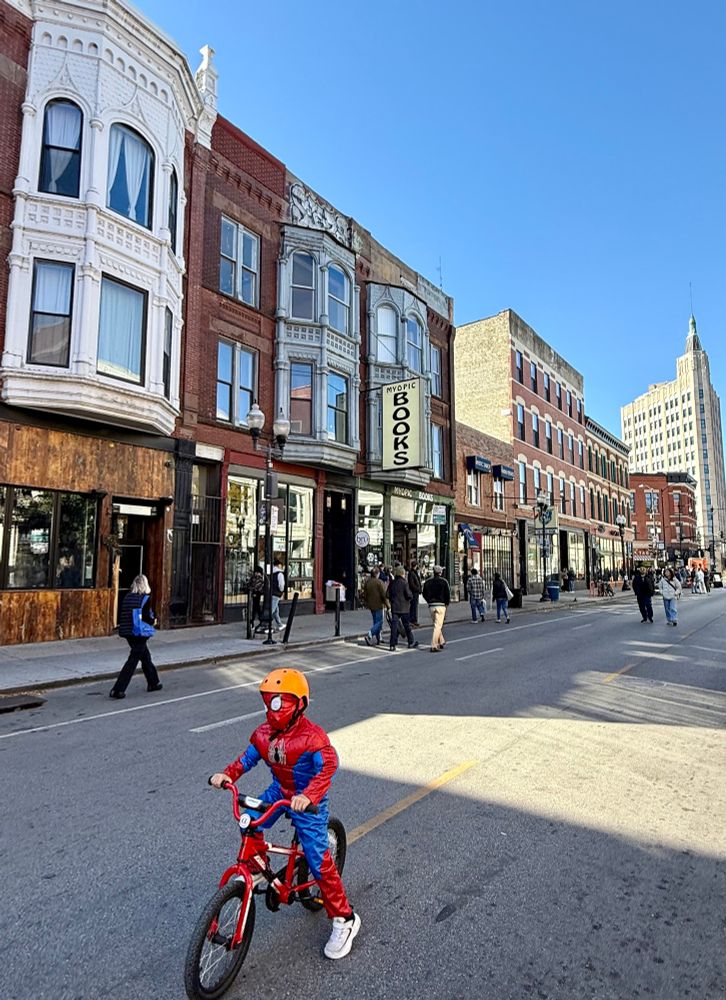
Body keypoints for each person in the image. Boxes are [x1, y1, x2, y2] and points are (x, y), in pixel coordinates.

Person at [209, 669, 360, 960]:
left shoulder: (312, 737)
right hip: (280, 790)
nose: (273, 708)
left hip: (306, 797)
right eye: (269, 702)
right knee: (250, 818)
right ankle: (257, 866)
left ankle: (345, 919)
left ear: (299, 704)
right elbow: (246, 759)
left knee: (318, 858)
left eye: (280, 702)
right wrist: (227, 775)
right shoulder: (264, 734)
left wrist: (309, 795)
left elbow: (328, 766)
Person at [110, 574, 163, 699]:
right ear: (145, 585)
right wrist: (153, 621)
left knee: (145, 657)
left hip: (128, 632)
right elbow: (146, 617)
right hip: (140, 633)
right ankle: (118, 689)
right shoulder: (145, 599)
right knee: (133, 660)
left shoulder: (127, 597)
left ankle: (153, 682)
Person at [387, 566, 418, 652]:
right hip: (404, 607)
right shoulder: (404, 583)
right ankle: (410, 641)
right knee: (406, 625)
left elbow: (387, 594)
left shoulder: (392, 583)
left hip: (395, 607)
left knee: (394, 626)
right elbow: (408, 595)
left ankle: (392, 644)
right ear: (402, 574)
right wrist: (411, 597)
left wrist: (392, 600)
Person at [423, 565, 450, 652]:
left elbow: (424, 593)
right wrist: (446, 605)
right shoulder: (444, 582)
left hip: (431, 605)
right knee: (438, 625)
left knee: (436, 624)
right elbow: (447, 595)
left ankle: (441, 641)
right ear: (440, 573)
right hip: (441, 605)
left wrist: (429, 600)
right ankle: (434, 645)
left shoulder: (427, 582)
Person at [362, 567, 389, 646]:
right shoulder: (379, 582)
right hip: (379, 604)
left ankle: (378, 639)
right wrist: (388, 606)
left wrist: (367, 602)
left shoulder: (367, 582)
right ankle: (370, 634)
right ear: (377, 574)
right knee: (380, 622)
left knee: (376, 622)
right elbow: (384, 595)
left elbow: (365, 595)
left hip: (371, 605)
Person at [271, 559, 285, 631]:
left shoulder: (271, 573)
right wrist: (281, 591)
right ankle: (267, 624)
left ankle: (279, 624)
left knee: (276, 610)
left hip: (271, 593)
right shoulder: (280, 574)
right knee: (272, 610)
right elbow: (281, 585)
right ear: (279, 565)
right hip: (276, 594)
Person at [407, 559, 422, 626]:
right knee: (413, 606)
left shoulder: (414, 573)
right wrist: (418, 589)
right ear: (415, 566)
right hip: (414, 592)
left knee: (414, 606)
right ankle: (412, 620)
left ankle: (413, 619)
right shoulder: (412, 573)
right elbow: (412, 584)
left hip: (415, 592)